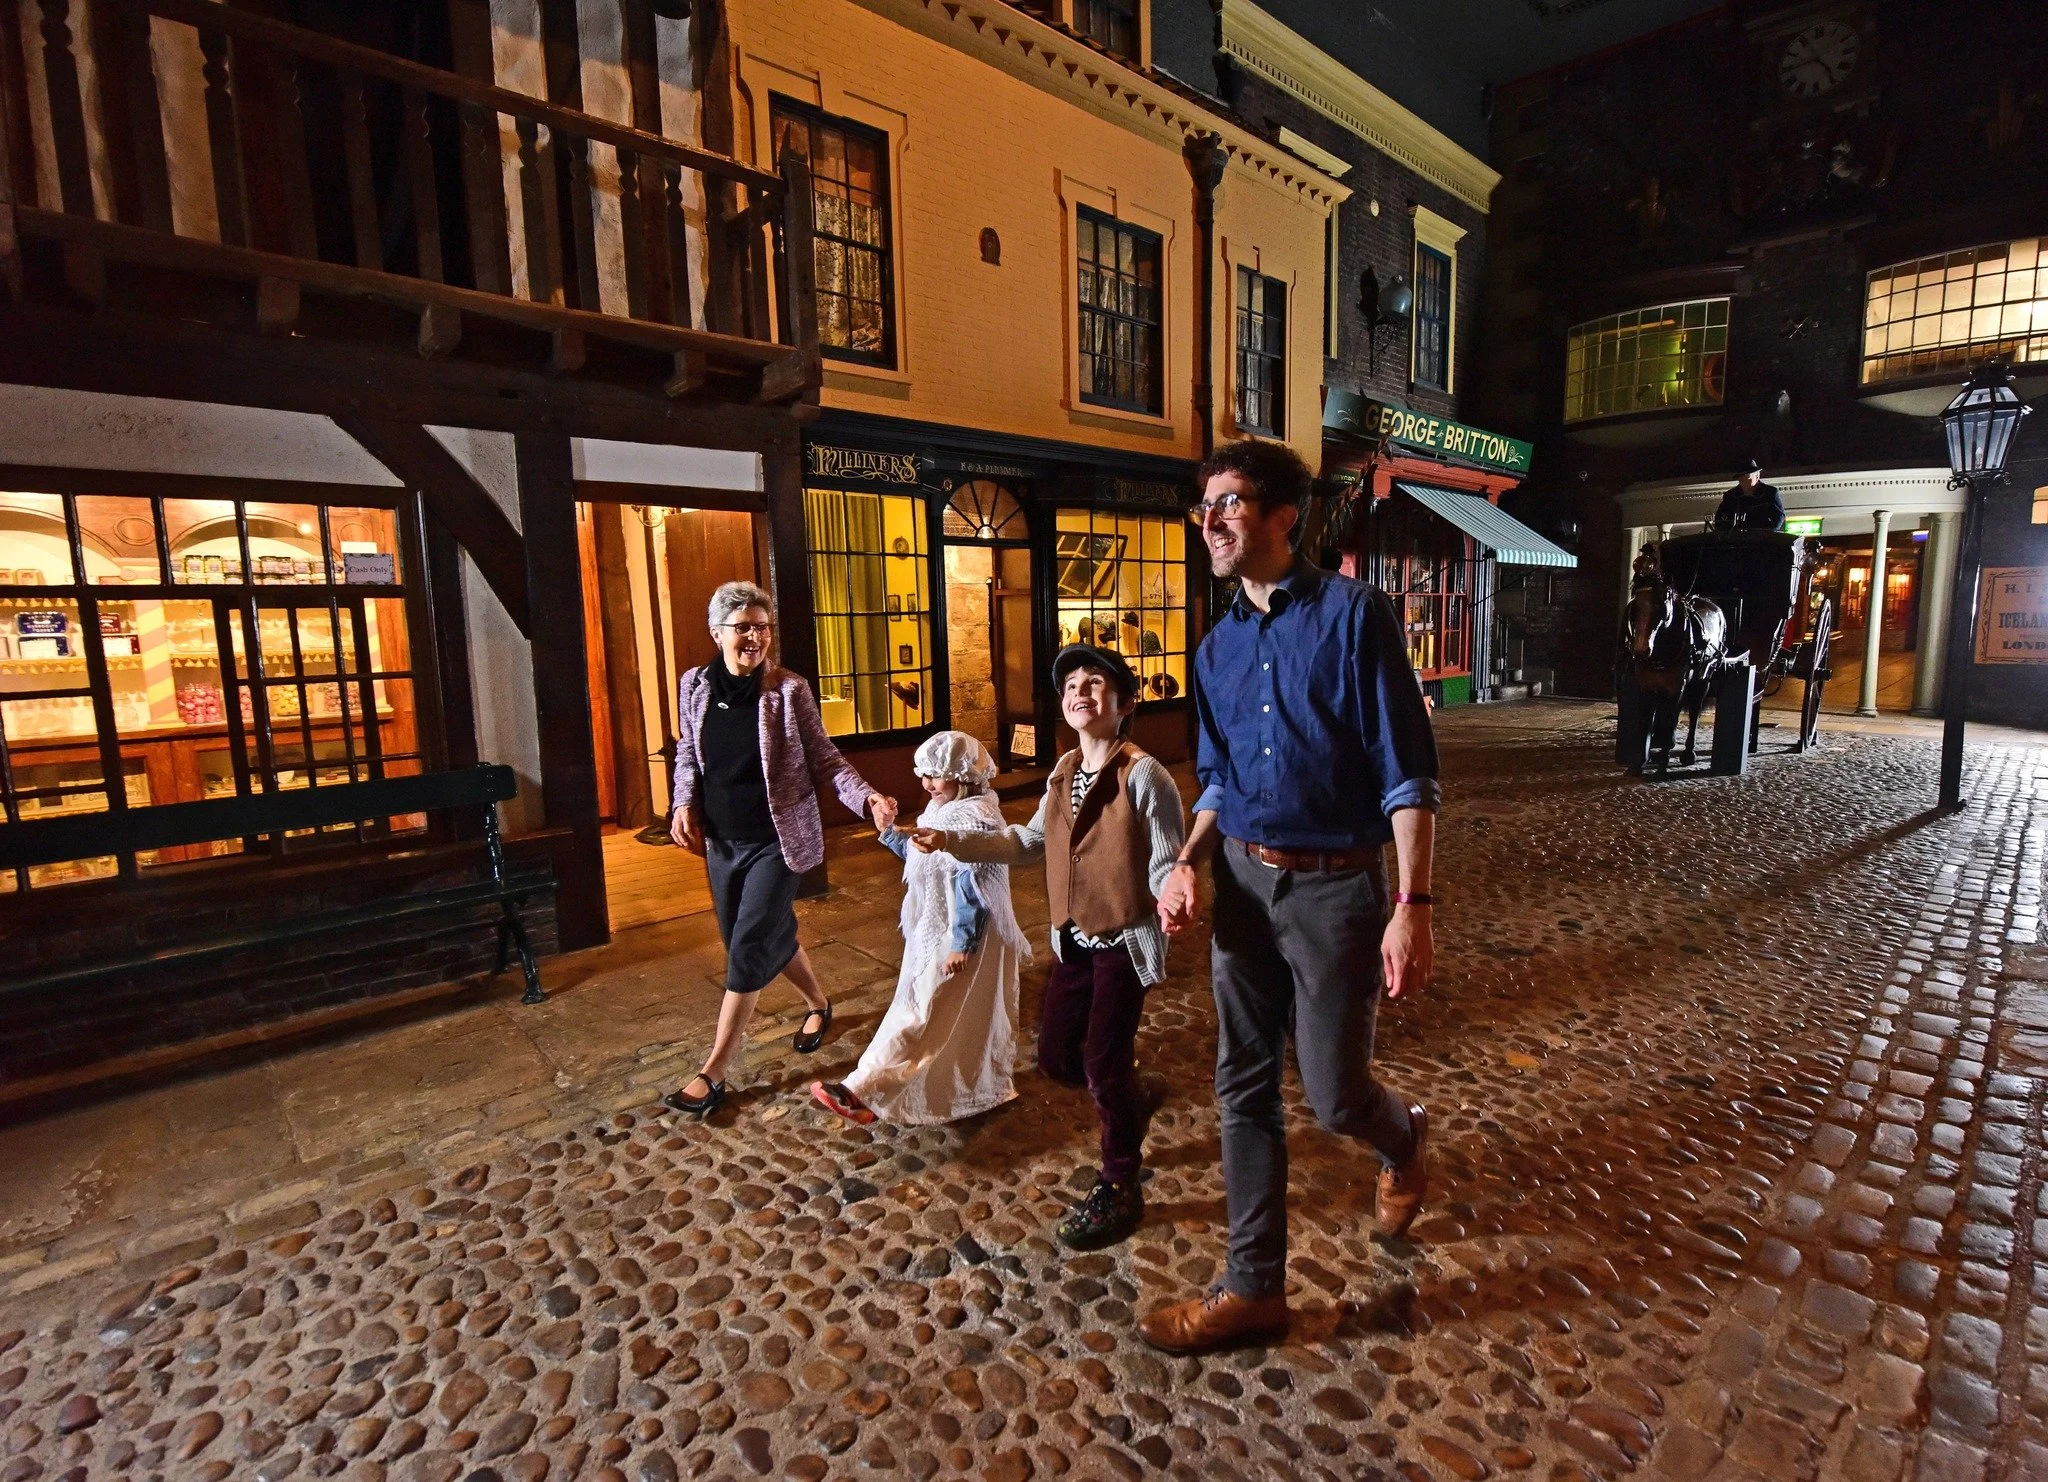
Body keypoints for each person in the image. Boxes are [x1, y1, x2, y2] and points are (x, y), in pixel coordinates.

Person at [1144, 439, 1439, 1355]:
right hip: (1239, 881)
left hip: (1335, 891)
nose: (1212, 522)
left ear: (1283, 518)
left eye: (1230, 504)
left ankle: (1403, 1140)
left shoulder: (1356, 617)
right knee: (1241, 1087)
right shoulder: (1215, 647)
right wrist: (1187, 858)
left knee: (1334, 1093)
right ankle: (1253, 1288)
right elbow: (1221, 780)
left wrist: (1412, 905)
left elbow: (1407, 773)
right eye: (1206, 508)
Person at [909, 645, 1185, 1251]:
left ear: (1125, 702)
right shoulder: (1062, 771)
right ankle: (1133, 1099)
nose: (1080, 692)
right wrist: (952, 839)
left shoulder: (1145, 775)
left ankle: (1121, 1181)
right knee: (1058, 1057)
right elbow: (1028, 842)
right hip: (1073, 940)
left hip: (1122, 941)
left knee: (1102, 1062)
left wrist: (1172, 894)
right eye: (1070, 686)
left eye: (1096, 683)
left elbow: (1167, 858)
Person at [664, 581, 897, 1120]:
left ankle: (714, 1072)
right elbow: (687, 755)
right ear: (717, 632)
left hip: (778, 839)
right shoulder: (695, 685)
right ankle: (820, 1004)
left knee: (745, 946)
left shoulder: (789, 690)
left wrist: (868, 799)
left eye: (761, 627)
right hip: (722, 841)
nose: (754, 637)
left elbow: (825, 759)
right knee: (766, 933)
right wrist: (681, 804)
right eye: (743, 627)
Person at [811, 732, 1031, 1126]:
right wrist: (889, 830)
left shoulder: (976, 819)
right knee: (927, 1007)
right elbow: (920, 854)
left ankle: (865, 1090)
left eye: (936, 775)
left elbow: (974, 885)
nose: (927, 784)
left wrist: (962, 944)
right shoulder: (942, 813)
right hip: (936, 929)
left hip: (962, 936)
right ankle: (876, 1091)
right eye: (924, 774)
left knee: (926, 1008)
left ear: (963, 776)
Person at [1711, 460, 1786, 532]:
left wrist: (1767, 533)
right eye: (1740, 478)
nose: (1743, 481)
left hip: (1762, 539)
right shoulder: (1731, 496)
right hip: (1738, 541)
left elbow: (1779, 517)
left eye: (1747, 477)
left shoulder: (1770, 493)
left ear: (1757, 476)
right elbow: (1720, 520)